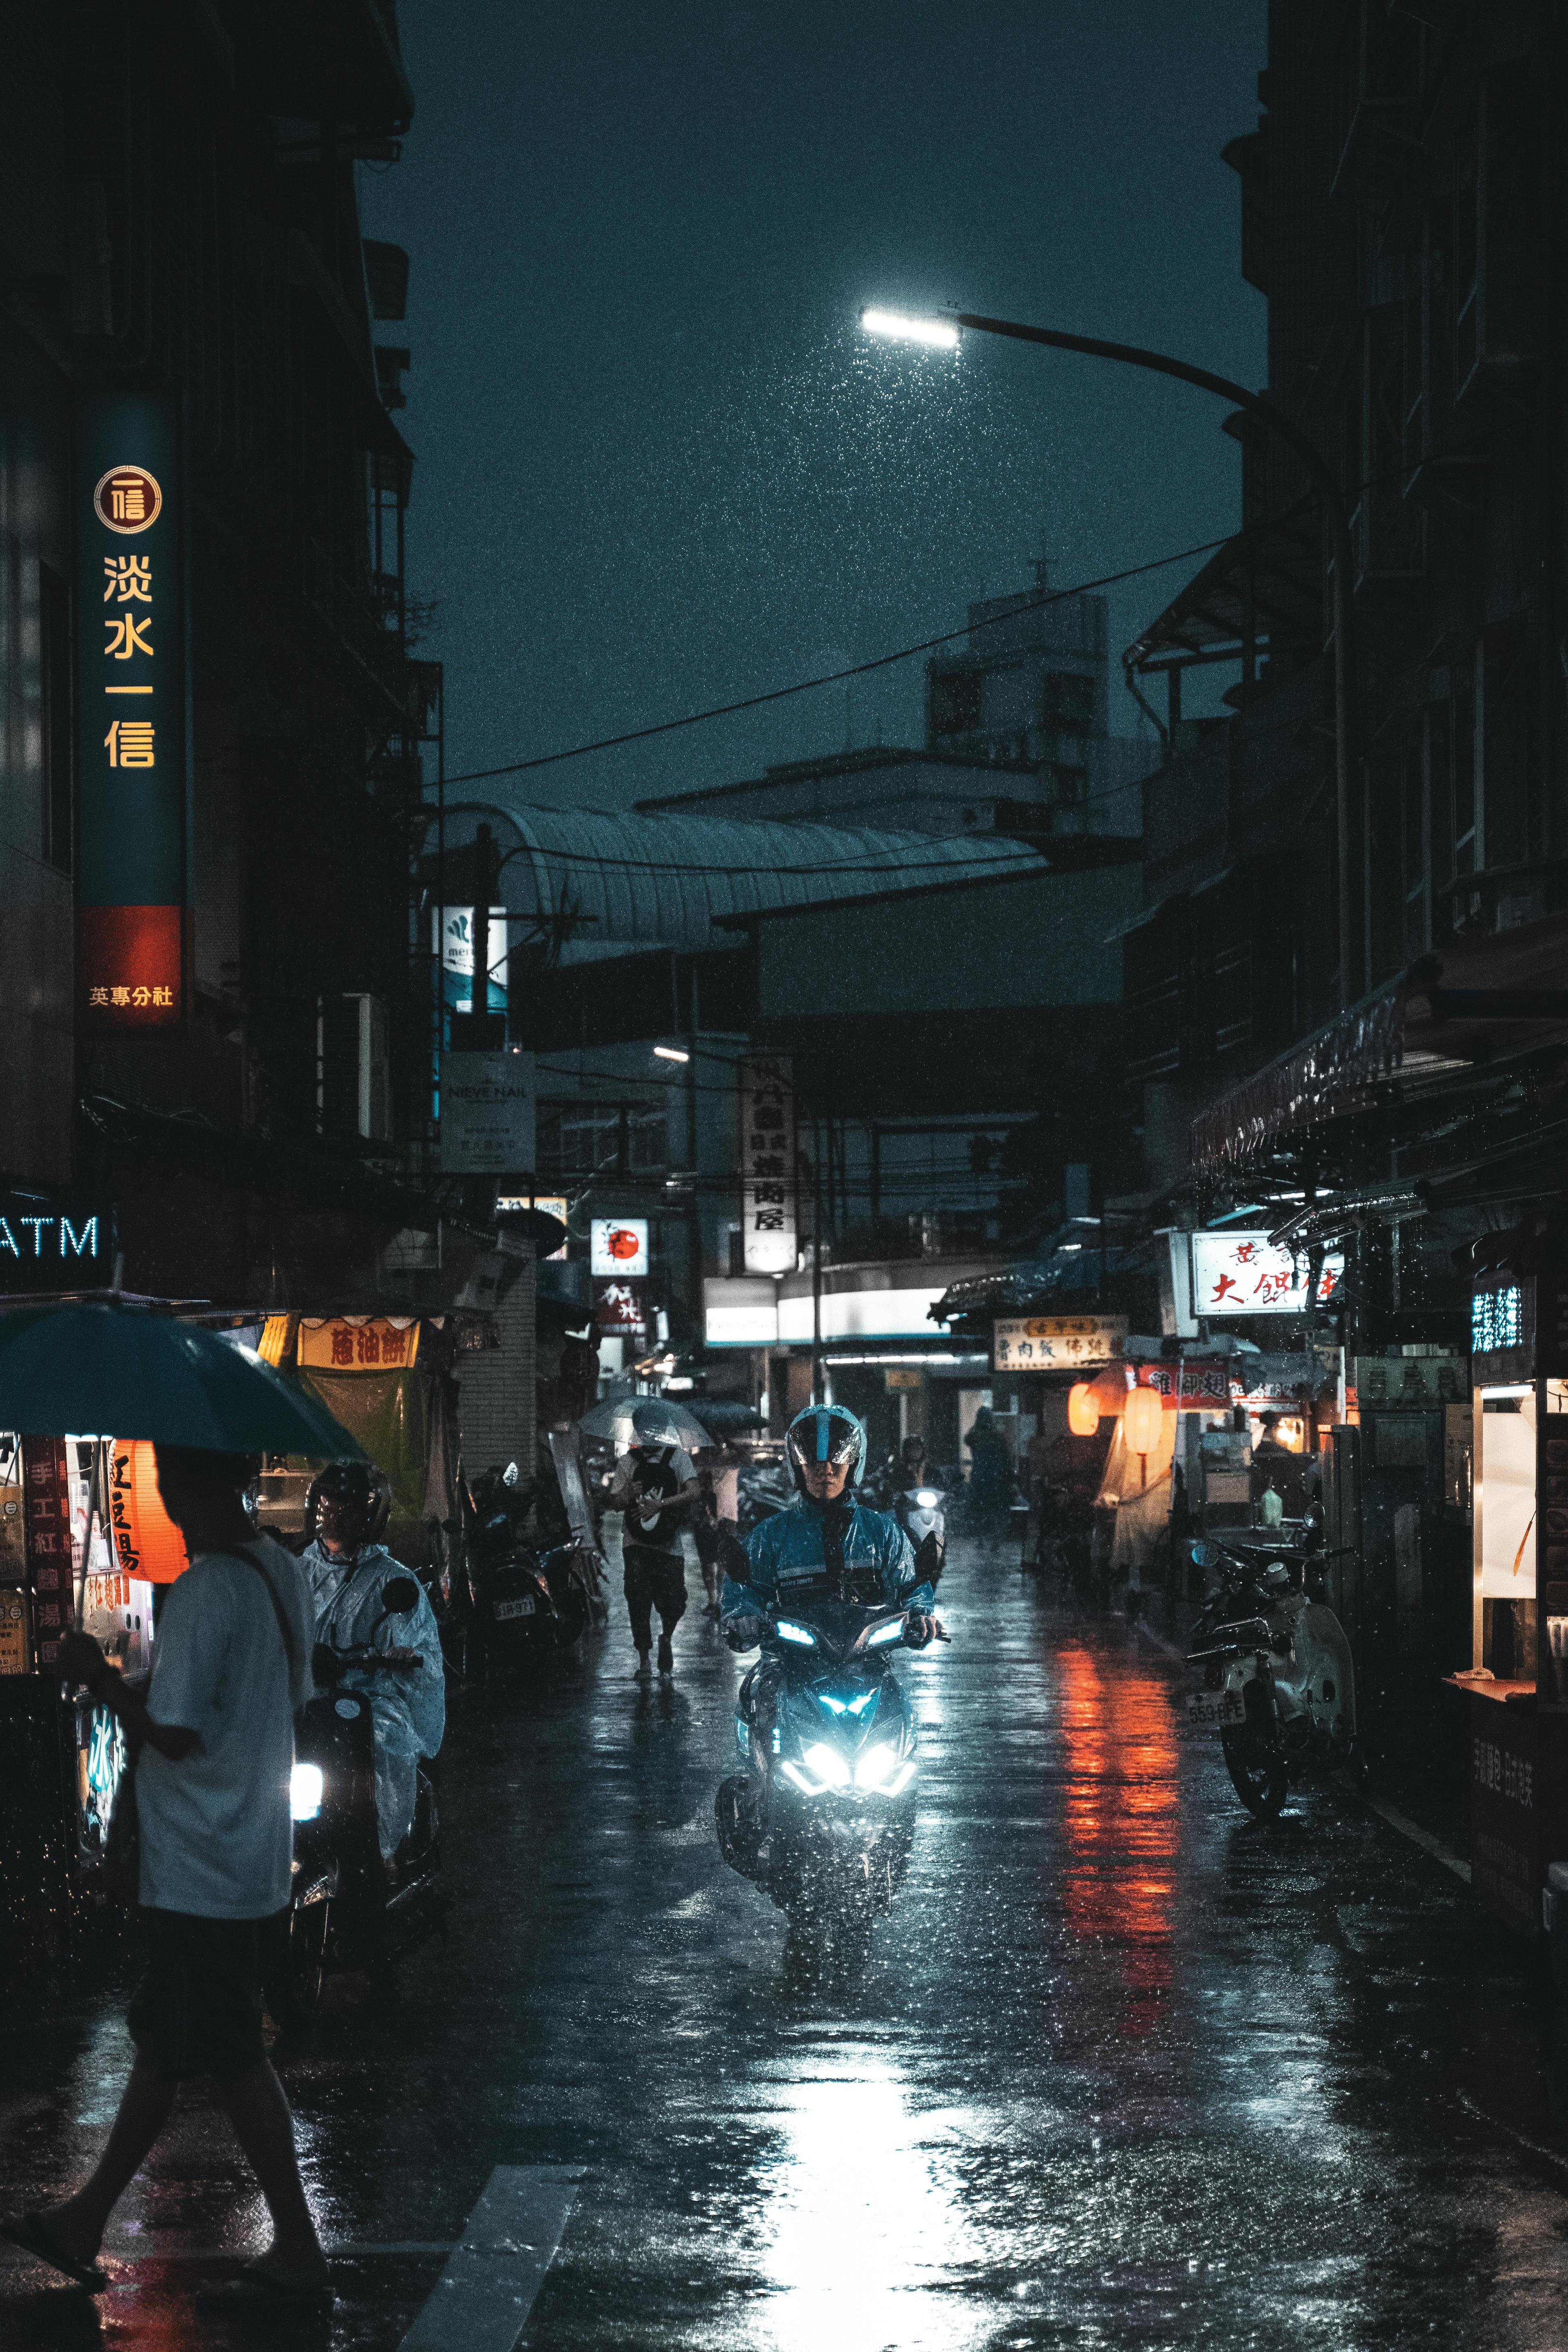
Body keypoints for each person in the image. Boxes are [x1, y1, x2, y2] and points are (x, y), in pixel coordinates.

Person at [0, 1446, 332, 2309]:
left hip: (203, 1862)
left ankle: (297, 2245)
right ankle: (84, 2219)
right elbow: (275, 1697)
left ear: (182, 1488)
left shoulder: (207, 1589)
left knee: (227, 2054)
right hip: (249, 1853)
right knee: (164, 2042)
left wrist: (101, 1679)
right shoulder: (280, 1572)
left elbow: (176, 1733)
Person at [300, 1461, 444, 1861]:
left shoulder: (391, 1579)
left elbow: (420, 1645)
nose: (335, 1520)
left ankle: (382, 1852)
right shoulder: (298, 1573)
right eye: (328, 1509)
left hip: (370, 1703)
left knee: (384, 1747)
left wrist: (402, 1656)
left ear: (370, 1516)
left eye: (347, 1511)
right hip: (305, 1700)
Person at [721, 1403, 938, 1651]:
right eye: (814, 1462)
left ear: (854, 1464)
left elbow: (911, 1586)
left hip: (867, 1660)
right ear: (798, 1467)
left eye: (838, 1460)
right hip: (791, 1662)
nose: (826, 1470)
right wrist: (745, 1618)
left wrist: (921, 1616)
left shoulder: (884, 1532)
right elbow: (744, 1589)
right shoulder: (769, 1536)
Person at [606, 1440, 698, 1676]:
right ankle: (644, 1659)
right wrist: (628, 1493)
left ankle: (666, 1636)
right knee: (638, 1599)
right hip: (635, 1543)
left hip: (669, 1543)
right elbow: (615, 1503)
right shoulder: (629, 1461)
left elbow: (695, 1492)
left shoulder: (677, 1458)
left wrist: (661, 1505)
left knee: (676, 1600)